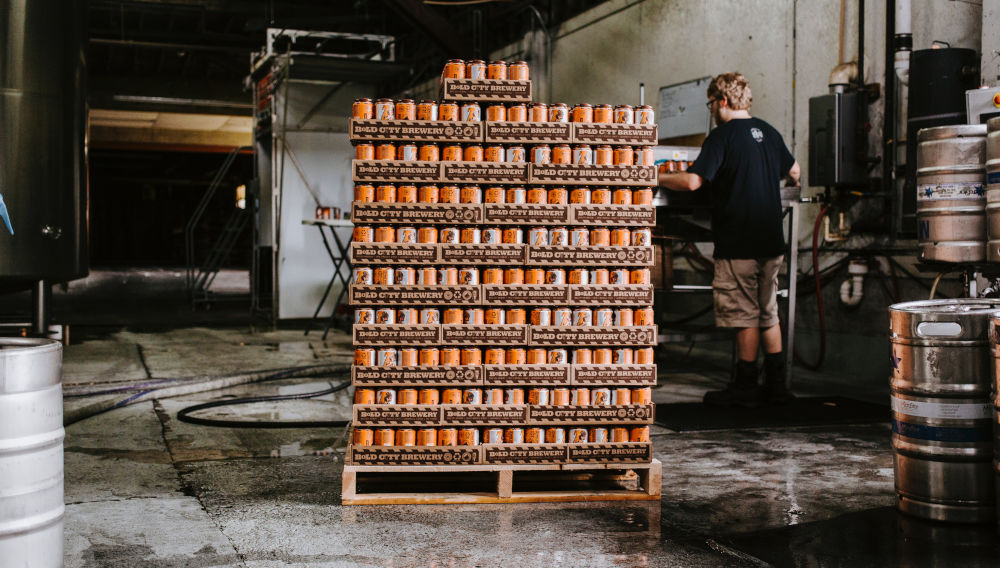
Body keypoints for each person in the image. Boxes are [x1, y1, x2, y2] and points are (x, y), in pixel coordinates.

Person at [658, 72, 800, 407]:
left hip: (739, 238)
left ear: (722, 101)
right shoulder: (769, 132)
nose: (711, 110)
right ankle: (777, 386)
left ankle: (745, 385)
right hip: (770, 238)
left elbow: (693, 183)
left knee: (743, 314)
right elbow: (794, 172)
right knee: (768, 311)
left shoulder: (722, 137)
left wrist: (657, 175)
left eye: (710, 103)